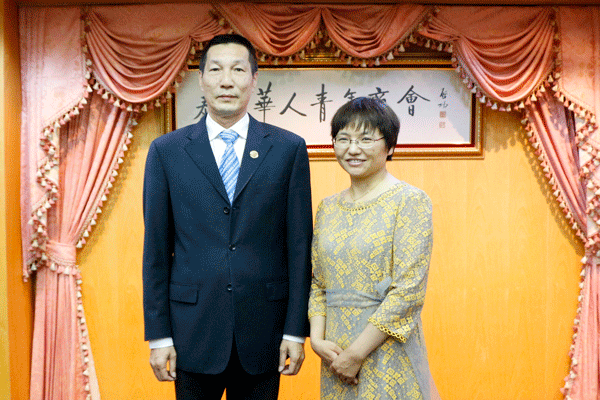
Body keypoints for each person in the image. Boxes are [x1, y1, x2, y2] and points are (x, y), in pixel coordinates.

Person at [142, 34, 313, 400]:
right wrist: (159, 336)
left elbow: (299, 248)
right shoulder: (167, 151)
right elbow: (155, 251)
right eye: (216, 70)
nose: (226, 81)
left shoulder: (288, 149)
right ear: (201, 78)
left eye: (238, 70)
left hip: (264, 332)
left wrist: (295, 330)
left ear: (253, 79)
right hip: (191, 331)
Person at [308, 97, 440, 399]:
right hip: (334, 354)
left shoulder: (410, 201)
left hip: (385, 349)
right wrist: (317, 340)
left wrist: (356, 354)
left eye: (366, 139)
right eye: (343, 139)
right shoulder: (327, 208)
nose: (353, 149)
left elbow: (408, 291)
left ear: (390, 146)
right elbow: (319, 284)